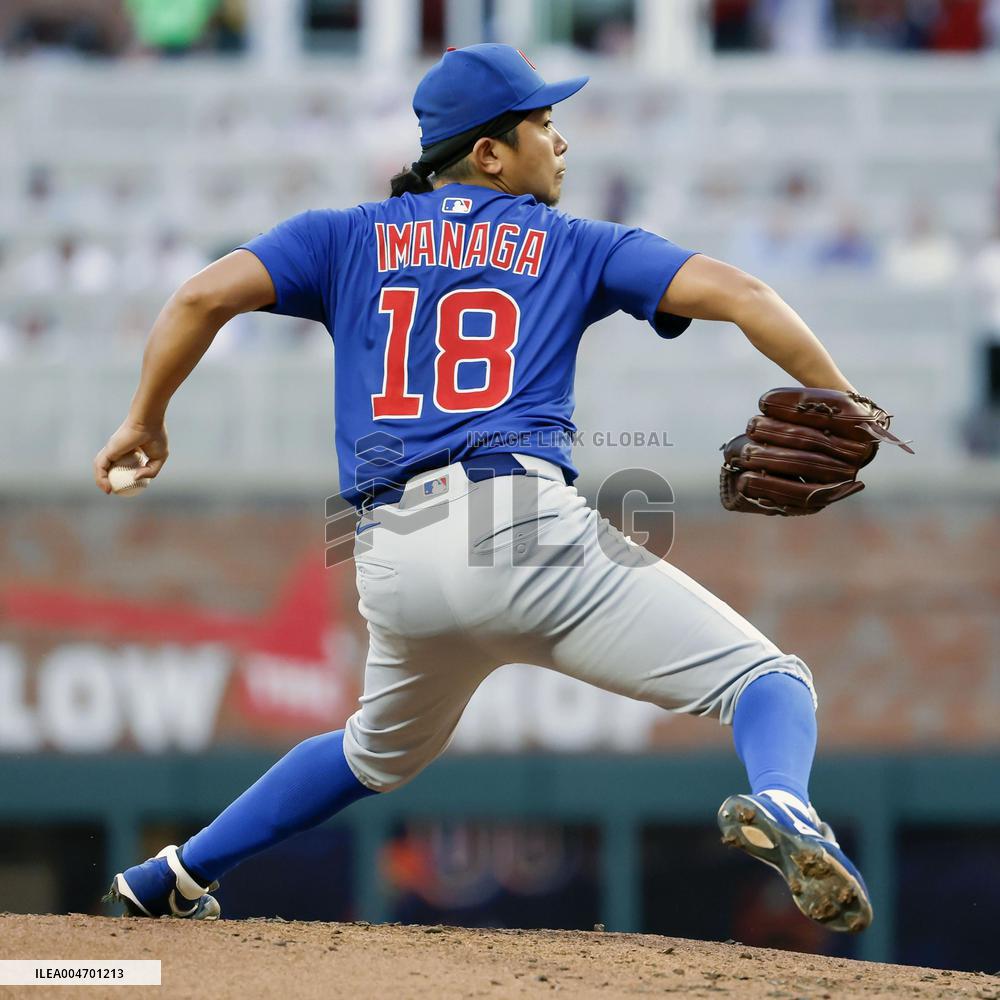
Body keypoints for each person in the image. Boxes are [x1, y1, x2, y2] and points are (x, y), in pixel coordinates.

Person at [94, 44, 872, 933]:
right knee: (769, 680)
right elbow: (742, 292)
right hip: (523, 528)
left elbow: (198, 298)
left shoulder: (342, 234)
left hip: (388, 555)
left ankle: (170, 878)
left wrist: (146, 419)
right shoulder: (572, 240)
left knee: (369, 754)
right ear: (492, 154)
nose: (562, 142)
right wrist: (842, 402)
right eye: (543, 123)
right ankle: (789, 804)